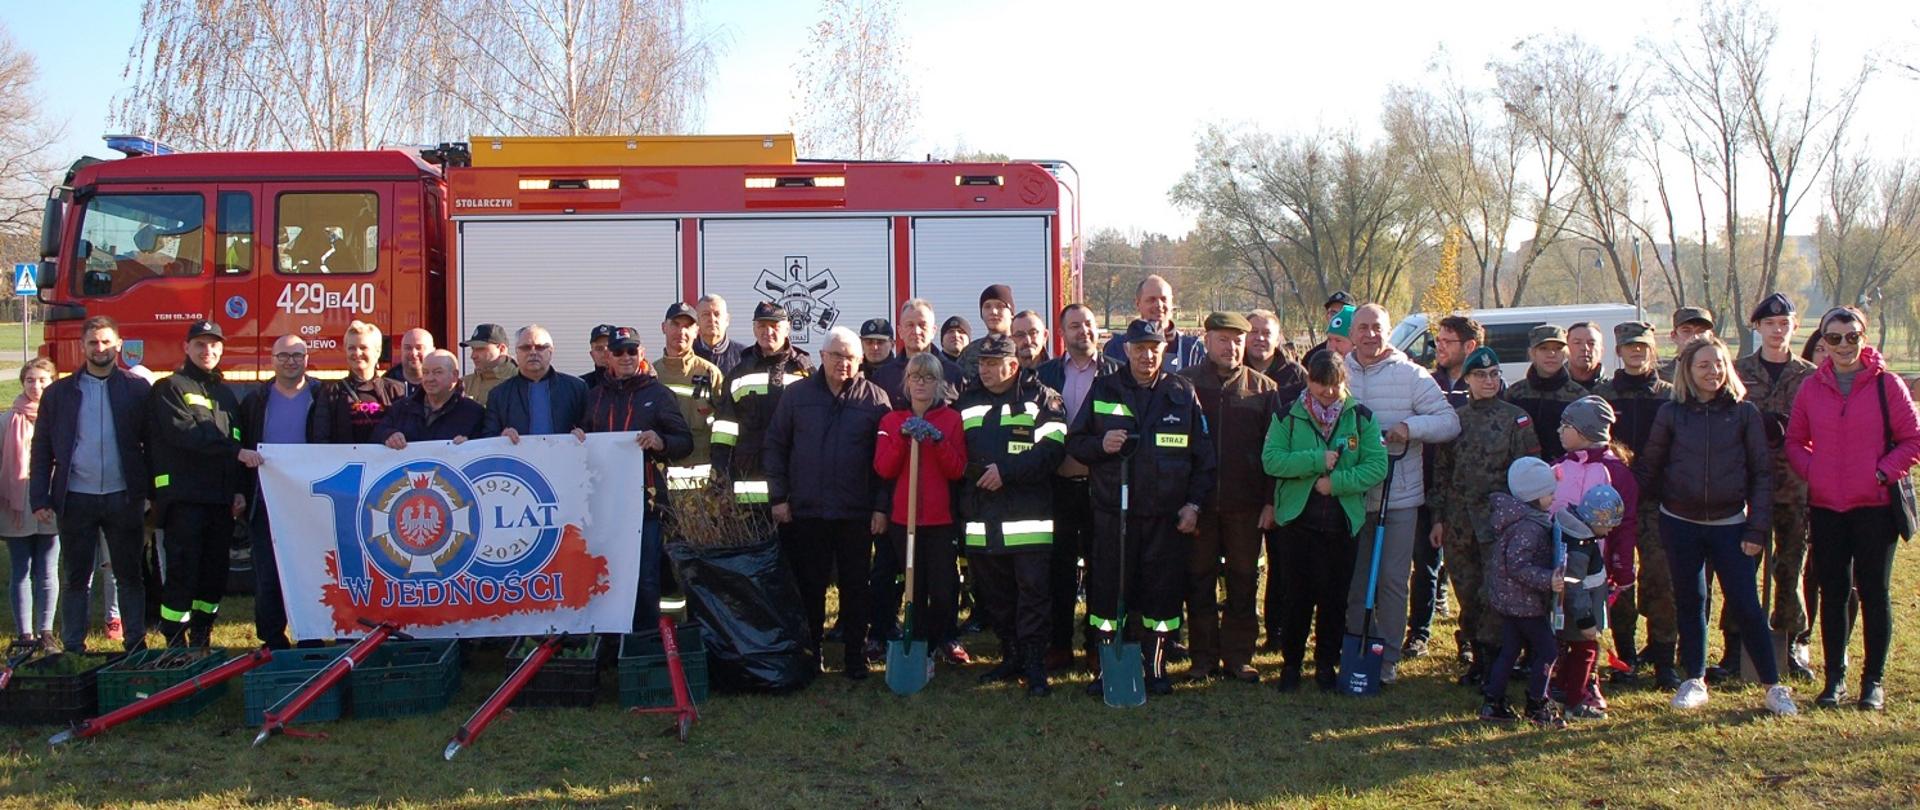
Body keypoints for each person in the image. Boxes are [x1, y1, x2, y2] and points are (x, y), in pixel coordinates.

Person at [1635, 334, 1798, 715]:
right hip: (1679, 524)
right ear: (1688, 372)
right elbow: (1650, 467)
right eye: (1704, 365)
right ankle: (1694, 679)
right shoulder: (1671, 414)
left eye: (1719, 363)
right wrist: (1614, 488)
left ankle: (1773, 685)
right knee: (1692, 601)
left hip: (1732, 525)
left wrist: (1757, 528)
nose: (1713, 371)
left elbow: (1761, 474)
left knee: (1745, 603)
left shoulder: (1745, 414)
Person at [1067, 319, 1216, 697]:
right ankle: (1105, 668)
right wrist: (1103, 444)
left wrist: (1193, 506)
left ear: (1163, 350)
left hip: (1166, 519)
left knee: (1162, 599)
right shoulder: (1105, 388)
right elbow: (1076, 443)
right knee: (1106, 597)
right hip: (1112, 517)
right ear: (1127, 351)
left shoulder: (1182, 392)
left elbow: (1204, 460)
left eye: (1153, 348)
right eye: (1139, 349)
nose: (1147, 355)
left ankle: (1156, 668)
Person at [1785, 306, 1920, 711]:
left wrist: (1881, 474)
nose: (1843, 345)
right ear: (1821, 341)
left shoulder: (1887, 385)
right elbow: (1795, 440)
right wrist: (1816, 471)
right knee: (1832, 592)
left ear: (1864, 337)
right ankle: (1835, 679)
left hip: (1874, 507)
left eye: (1851, 336)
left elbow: (1912, 440)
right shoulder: (1812, 388)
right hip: (1827, 506)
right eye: (1834, 337)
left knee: (1875, 592)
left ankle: (1872, 681)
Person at [1342, 304, 1461, 685]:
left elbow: (1449, 421)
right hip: (1351, 495)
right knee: (1356, 579)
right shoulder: (1339, 370)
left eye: (1377, 328)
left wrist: (1410, 428)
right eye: (1362, 328)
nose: (1370, 335)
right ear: (1352, 332)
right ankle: (1355, 643)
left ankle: (1388, 656)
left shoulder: (1412, 375)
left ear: (1388, 332)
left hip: (1399, 495)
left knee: (1393, 579)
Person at [765, 326, 892, 679]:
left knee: (856, 588)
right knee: (810, 587)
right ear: (821, 356)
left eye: (851, 357)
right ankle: (813, 654)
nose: (843, 363)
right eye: (836, 355)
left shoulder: (876, 400)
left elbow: (887, 463)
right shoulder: (796, 396)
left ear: (860, 359)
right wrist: (779, 497)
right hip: (807, 510)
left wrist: (881, 507)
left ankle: (855, 656)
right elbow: (776, 446)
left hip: (856, 513)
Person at [1263, 351, 1389, 691]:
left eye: (1334, 386)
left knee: (1334, 599)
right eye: (1321, 385)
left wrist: (1337, 484)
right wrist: (1316, 460)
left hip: (1341, 524)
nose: (1328, 393)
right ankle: (1291, 665)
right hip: (1298, 523)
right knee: (1297, 597)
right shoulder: (1287, 416)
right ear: (1308, 381)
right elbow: (1272, 460)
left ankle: (1325, 665)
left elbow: (1377, 466)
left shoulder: (1360, 418)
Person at [953, 337, 1066, 695]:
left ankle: (1034, 663)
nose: (983, 370)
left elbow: (1053, 449)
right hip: (981, 514)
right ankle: (1010, 654)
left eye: (991, 363)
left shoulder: (1042, 398)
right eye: (981, 363)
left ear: (1013, 365)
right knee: (994, 593)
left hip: (1027, 516)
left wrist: (1008, 471)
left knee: (1032, 593)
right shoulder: (967, 400)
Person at [33, 317, 151, 653]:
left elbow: (152, 445)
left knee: (129, 576)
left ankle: (135, 644)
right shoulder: (58, 393)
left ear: (119, 344)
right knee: (76, 577)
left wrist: (152, 495)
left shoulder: (136, 388)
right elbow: (41, 449)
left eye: (105, 342)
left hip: (122, 497)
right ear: (82, 346)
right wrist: (39, 496)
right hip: (76, 499)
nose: (99, 349)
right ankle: (73, 646)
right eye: (93, 343)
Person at [1428, 347, 1541, 687]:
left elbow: (1529, 474)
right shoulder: (1455, 419)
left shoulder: (1516, 418)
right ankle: (1476, 657)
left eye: (1494, 375)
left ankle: (1497, 660)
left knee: (1497, 591)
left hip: (1501, 521)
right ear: (1468, 380)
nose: (1489, 381)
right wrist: (1438, 517)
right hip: (1460, 521)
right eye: (1481, 376)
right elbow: (1441, 473)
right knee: (1467, 588)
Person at [1181, 312, 1281, 683]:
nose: (1232, 346)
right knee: (1199, 580)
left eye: (1238, 339)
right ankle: (1202, 657)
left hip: (1246, 506)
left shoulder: (1264, 389)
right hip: (1199, 505)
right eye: (1223, 339)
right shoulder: (1186, 385)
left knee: (1243, 580)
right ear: (1206, 341)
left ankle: (1239, 656)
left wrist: (1270, 501)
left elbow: (1275, 453)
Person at [576, 326, 692, 632]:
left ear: (641, 353)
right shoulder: (593, 397)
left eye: (632, 350)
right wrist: (576, 437)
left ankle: (643, 639)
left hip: (647, 503)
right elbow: (581, 441)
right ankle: (609, 636)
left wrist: (661, 441)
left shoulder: (658, 394)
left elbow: (684, 442)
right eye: (618, 352)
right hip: (602, 503)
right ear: (607, 358)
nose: (625, 357)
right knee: (603, 570)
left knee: (646, 575)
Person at [1731, 293, 1818, 682]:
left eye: (1784, 324)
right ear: (1758, 328)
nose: (1777, 330)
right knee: (1742, 566)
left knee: (1790, 564)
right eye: (1770, 324)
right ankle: (1736, 646)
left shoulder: (1811, 375)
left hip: (1794, 483)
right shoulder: (1738, 371)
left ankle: (1790, 641)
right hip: (1747, 483)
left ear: (1794, 328)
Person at [149, 320, 252, 648]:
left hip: (220, 502)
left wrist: (238, 489)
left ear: (222, 349)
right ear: (187, 348)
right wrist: (236, 452)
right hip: (186, 499)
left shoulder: (225, 394)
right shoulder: (171, 387)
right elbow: (188, 435)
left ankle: (202, 632)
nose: (208, 351)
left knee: (213, 575)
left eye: (214, 345)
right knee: (182, 572)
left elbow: (237, 439)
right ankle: (175, 640)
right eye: (200, 345)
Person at [1594, 321, 1680, 689]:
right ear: (1619, 351)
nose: (1636, 352)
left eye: (1643, 346)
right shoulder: (1602, 396)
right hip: (1614, 504)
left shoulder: (1671, 396)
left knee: (1662, 582)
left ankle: (1664, 661)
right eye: (1630, 346)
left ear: (1653, 350)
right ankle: (1624, 659)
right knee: (1618, 581)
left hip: (1660, 502)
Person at [873, 353, 968, 682]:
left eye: (928, 378)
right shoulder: (891, 421)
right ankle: (916, 642)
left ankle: (936, 639)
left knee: (942, 589)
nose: (921, 384)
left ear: (939, 384)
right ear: (907, 381)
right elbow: (883, 467)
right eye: (916, 377)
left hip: (940, 521)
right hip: (905, 520)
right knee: (913, 584)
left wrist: (937, 440)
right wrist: (903, 437)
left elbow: (957, 469)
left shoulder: (952, 420)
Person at [1035, 303, 1120, 670]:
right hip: (1059, 485)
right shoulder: (1045, 374)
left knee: (1103, 567)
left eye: (1087, 324)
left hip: (1103, 486)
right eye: (1073, 325)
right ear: (1062, 333)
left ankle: (1096, 642)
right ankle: (1059, 643)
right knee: (1060, 568)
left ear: (1097, 329)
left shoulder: (1118, 373)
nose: (1082, 331)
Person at [1547, 397, 1639, 719]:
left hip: (1594, 571)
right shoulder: (1558, 467)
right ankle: (1558, 679)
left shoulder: (1615, 473)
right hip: (1558, 567)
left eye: (1566, 426)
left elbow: (1626, 526)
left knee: (1588, 627)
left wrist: (1622, 569)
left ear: (1584, 432)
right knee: (1559, 625)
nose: (1560, 431)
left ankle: (1587, 684)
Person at [239, 335, 327, 649]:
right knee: (268, 575)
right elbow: (243, 447)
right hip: (266, 502)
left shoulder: (323, 396)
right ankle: (273, 639)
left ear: (307, 358)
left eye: (297, 355)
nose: (291, 361)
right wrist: (240, 493)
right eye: (284, 355)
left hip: (309, 502)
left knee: (310, 573)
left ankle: (311, 636)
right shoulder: (255, 400)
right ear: (272, 359)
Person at [1407, 315, 1483, 662]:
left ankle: (1471, 637)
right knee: (1424, 563)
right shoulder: (1426, 382)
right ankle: (1418, 633)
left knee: (1470, 570)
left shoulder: (1484, 384)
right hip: (1426, 487)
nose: (1439, 347)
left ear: (1469, 347)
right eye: (1437, 341)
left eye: (1446, 342)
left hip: (1470, 495)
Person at [1478, 457, 1568, 728]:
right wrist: (1548, 580)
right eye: (1549, 493)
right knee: (1548, 651)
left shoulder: (1523, 520)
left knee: (1510, 649)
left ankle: (1493, 700)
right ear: (1534, 496)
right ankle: (1537, 703)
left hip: (1509, 601)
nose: (1553, 498)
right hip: (1524, 603)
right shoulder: (1528, 528)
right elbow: (1518, 566)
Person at [710, 302, 812, 507]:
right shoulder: (739, 372)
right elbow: (724, 431)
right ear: (754, 328)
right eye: (762, 326)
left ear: (787, 328)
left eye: (775, 326)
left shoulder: (805, 371)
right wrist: (721, 478)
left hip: (796, 483)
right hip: (750, 484)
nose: (768, 332)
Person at [4, 360, 59, 649]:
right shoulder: (7, 420)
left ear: (52, 381)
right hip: (16, 508)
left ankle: (46, 630)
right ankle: (25, 633)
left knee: (48, 569)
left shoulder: (59, 417)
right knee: (21, 569)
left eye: (42, 380)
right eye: (30, 380)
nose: (35, 386)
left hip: (50, 503)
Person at [655, 302, 725, 490]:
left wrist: (721, 473)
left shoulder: (710, 373)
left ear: (697, 332)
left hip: (701, 485)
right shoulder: (651, 374)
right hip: (659, 480)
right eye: (675, 324)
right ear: (663, 327)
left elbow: (724, 427)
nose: (681, 331)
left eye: (688, 326)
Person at [485, 325, 589, 442]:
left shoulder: (577, 389)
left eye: (540, 347)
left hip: (566, 458)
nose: (533, 352)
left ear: (551, 351)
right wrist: (501, 437)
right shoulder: (499, 395)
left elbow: (593, 430)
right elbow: (487, 438)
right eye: (526, 347)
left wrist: (581, 433)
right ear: (516, 353)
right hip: (519, 459)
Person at [375, 350, 491, 446]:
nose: (430, 378)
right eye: (425, 372)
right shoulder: (401, 408)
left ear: (454, 376)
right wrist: (388, 435)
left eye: (437, 372)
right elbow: (376, 435)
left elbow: (487, 448)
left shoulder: (474, 413)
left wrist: (470, 446)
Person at [1504, 325, 1585, 460]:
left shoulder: (1579, 397)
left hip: (1566, 472)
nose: (1551, 354)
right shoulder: (1515, 394)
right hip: (1523, 470)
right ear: (1532, 353)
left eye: (1557, 349)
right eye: (1543, 348)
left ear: (1565, 353)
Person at [320, 320, 408, 444]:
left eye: (363, 347)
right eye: (351, 348)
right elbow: (321, 438)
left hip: (386, 461)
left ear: (377, 351)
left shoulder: (396, 390)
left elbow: (406, 431)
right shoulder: (331, 392)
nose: (357, 353)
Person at [1101, 275, 1205, 374]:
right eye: (1151, 300)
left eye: (1164, 299)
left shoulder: (1193, 350)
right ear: (1138, 304)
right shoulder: (1116, 348)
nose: (1159, 305)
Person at [870, 299, 964, 408]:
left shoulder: (954, 374)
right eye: (910, 325)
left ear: (933, 331)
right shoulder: (883, 377)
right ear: (900, 332)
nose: (916, 331)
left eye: (922, 325)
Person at [958, 284, 1017, 383]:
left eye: (1000, 306)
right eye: (987, 306)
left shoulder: (1022, 347)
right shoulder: (970, 352)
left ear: (1011, 313)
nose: (993, 311)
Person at [1246, 309, 1308, 401]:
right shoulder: (1233, 372)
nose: (1259, 338)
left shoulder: (1296, 374)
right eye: (1254, 331)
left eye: (1267, 333)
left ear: (1278, 340)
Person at [461, 323, 516, 404]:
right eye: (473, 349)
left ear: (502, 349)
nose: (473, 356)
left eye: (480, 349)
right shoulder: (465, 384)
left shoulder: (520, 381)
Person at [694, 294, 746, 378]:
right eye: (705, 314)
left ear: (727, 320)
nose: (712, 319)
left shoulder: (744, 356)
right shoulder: (687, 355)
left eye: (717, 314)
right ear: (697, 321)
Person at [1301, 291, 1356, 369]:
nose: (1338, 317)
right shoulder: (1312, 357)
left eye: (1344, 313)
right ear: (1326, 316)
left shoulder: (1367, 360)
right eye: (1333, 313)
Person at [1657, 307, 1715, 382]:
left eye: (1701, 331)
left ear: (1711, 336)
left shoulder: (1719, 376)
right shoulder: (1661, 377)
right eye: (1686, 331)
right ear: (1674, 336)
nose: (1695, 337)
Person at [383, 327, 434, 396]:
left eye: (419, 348)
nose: (413, 353)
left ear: (432, 351)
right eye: (408, 348)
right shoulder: (385, 385)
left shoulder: (442, 383)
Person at [1567, 322, 1606, 390]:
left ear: (1601, 351)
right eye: (1577, 343)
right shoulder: (1551, 388)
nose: (1584, 348)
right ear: (1566, 349)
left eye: (1591, 343)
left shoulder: (1615, 389)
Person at [582, 324, 615, 390]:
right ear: (592, 355)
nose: (605, 351)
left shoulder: (633, 384)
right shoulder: (581, 385)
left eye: (610, 347)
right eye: (599, 348)